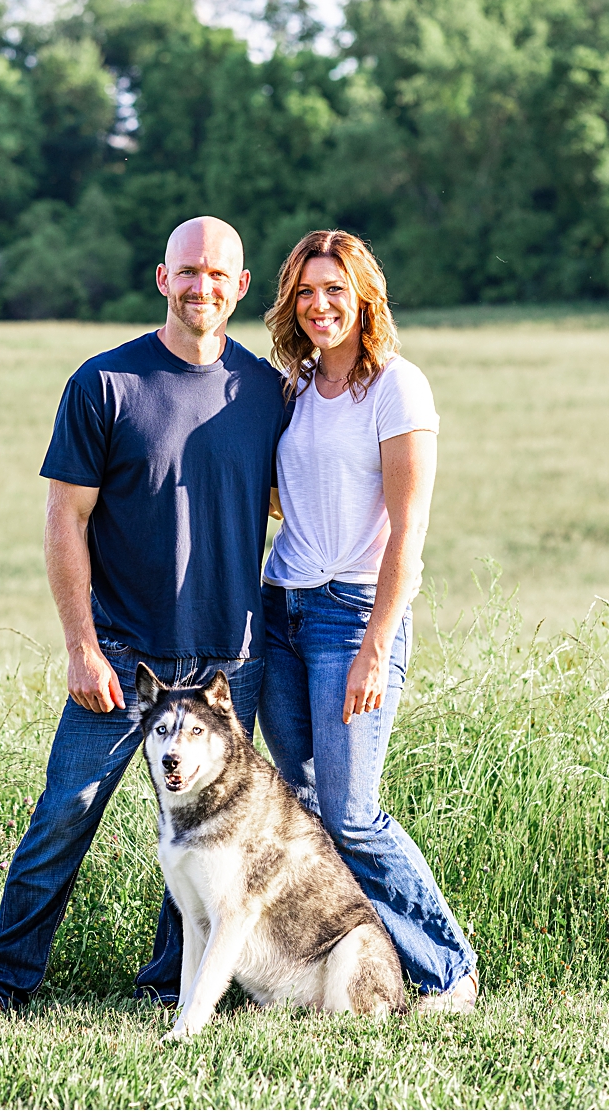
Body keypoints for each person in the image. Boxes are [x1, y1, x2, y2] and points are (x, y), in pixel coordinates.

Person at [0, 216, 287, 1020]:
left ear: (239, 286)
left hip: (230, 660)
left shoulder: (265, 391)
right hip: (123, 653)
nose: (203, 286)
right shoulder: (105, 383)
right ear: (163, 278)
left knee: (210, 824)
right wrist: (81, 646)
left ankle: (176, 980)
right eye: (188, 271)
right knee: (65, 812)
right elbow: (66, 518)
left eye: (219, 274)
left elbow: (286, 497)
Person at [257, 230, 479, 1013]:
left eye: (335, 291)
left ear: (364, 299)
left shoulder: (397, 387)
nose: (320, 306)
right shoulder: (294, 386)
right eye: (306, 293)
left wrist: (376, 648)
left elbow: (408, 535)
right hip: (281, 607)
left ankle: (447, 969)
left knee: (352, 813)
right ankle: (326, 968)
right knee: (309, 808)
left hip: (353, 617)